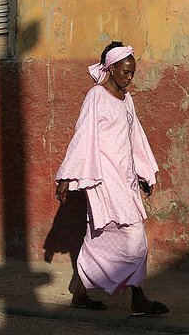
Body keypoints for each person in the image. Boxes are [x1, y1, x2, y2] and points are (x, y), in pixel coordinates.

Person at [54, 41, 169, 316]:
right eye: (126, 71)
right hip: (104, 181)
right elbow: (83, 135)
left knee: (99, 239)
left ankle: (80, 294)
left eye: (133, 71)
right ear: (112, 68)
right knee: (135, 238)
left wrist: (144, 173)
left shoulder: (127, 100)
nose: (130, 76)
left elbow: (135, 139)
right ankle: (138, 298)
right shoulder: (96, 96)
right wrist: (67, 176)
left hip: (125, 180)